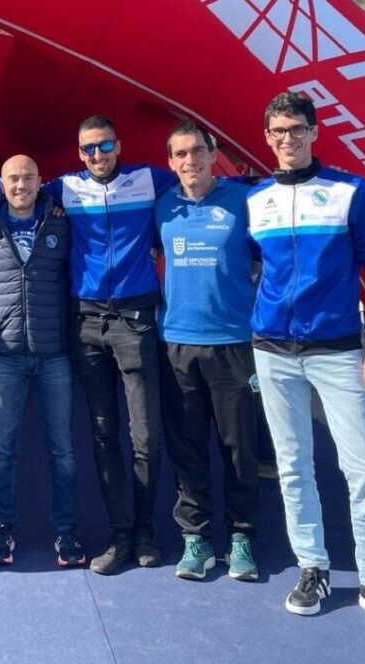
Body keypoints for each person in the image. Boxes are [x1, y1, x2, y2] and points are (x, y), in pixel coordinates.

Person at [0, 115, 178, 574]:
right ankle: (104, 531)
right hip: (73, 328)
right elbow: (8, 187)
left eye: (105, 145)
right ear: (78, 153)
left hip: (121, 325)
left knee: (138, 436)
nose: (98, 154)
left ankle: (136, 530)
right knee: (90, 434)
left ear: (119, 144)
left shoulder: (149, 179)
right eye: (89, 148)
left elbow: (194, 190)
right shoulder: (63, 191)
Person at [247, 91, 365, 636]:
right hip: (272, 351)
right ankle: (314, 568)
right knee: (294, 466)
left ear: (314, 131)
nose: (287, 139)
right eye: (277, 131)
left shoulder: (350, 190)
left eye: (296, 129)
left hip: (341, 349)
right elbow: (256, 269)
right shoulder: (255, 200)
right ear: (268, 137)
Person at [0, 154, 85, 568]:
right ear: (3, 183)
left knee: (63, 450)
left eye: (28, 177)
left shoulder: (60, 221)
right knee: (2, 451)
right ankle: (2, 528)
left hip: (54, 355)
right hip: (4, 355)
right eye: (13, 178)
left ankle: (66, 531)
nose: (21, 185)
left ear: (40, 181)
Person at [155, 120, 261, 582]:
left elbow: (273, 260)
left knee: (238, 447)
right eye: (180, 154)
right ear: (171, 162)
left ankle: (241, 537)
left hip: (233, 343)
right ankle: (195, 538)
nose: (189, 160)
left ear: (212, 151)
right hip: (176, 342)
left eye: (197, 151)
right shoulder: (162, 206)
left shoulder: (243, 201)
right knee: (187, 446)